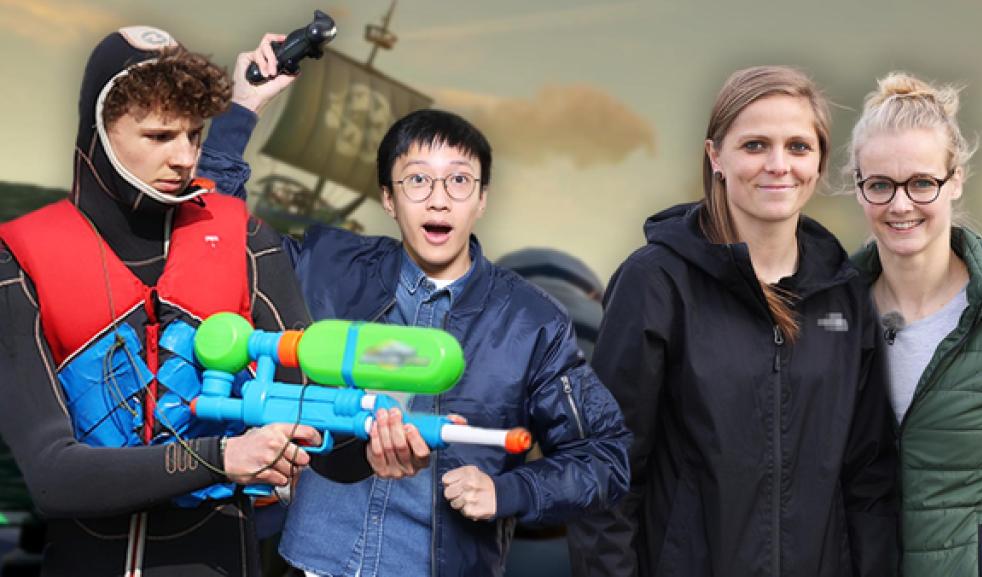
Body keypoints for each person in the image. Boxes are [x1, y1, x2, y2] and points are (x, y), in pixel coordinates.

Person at [0, 26, 410, 576]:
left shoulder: (248, 243)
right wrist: (221, 457)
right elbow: (52, 477)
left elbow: (324, 435)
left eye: (194, 136)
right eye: (159, 135)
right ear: (99, 131)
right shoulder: (18, 263)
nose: (183, 157)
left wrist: (373, 446)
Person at [199, 90, 632, 574]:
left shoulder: (532, 323)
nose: (439, 200)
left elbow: (606, 455)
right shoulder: (327, 265)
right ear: (388, 198)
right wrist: (241, 110)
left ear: (483, 199)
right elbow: (219, 239)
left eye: (459, 181)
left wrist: (508, 491)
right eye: (418, 180)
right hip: (306, 564)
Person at [567, 65, 900, 577]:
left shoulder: (845, 294)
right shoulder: (655, 283)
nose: (778, 165)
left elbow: (868, 481)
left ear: (819, 161)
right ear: (715, 156)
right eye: (755, 145)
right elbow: (607, 473)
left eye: (797, 146)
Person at [848, 72, 982, 577]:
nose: (900, 205)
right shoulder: (829, 315)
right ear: (859, 188)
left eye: (922, 182)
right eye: (880, 185)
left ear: (956, 180)